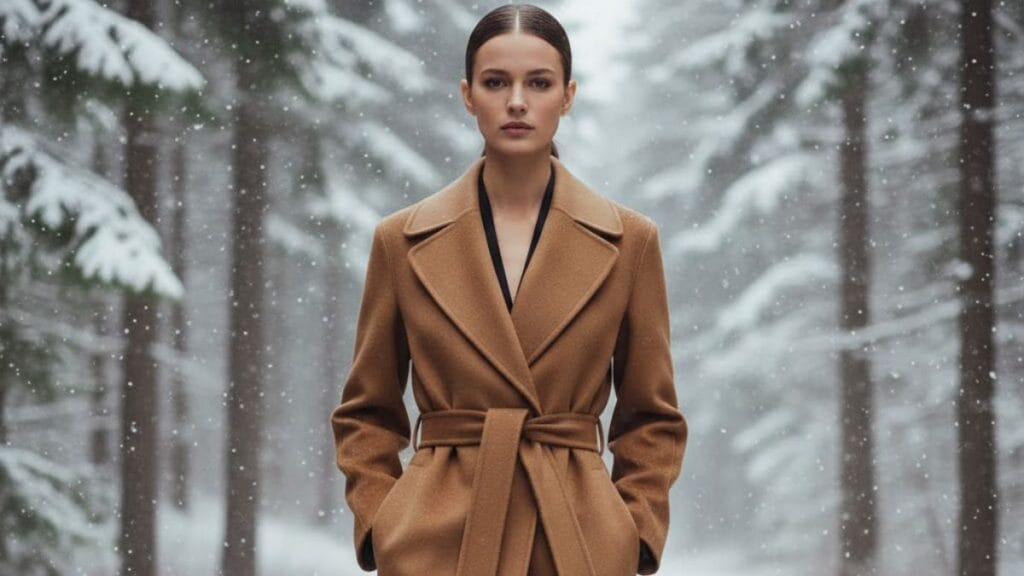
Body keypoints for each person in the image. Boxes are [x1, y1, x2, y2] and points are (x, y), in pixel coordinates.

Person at [330, 4, 687, 575]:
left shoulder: (629, 243)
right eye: (496, 82)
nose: (516, 101)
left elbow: (652, 418)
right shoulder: (401, 240)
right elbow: (366, 412)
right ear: (468, 94)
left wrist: (633, 532)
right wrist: (385, 524)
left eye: (538, 83)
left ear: (568, 95)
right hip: (437, 540)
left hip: (575, 539)